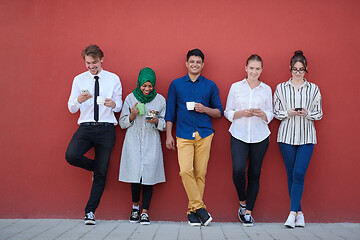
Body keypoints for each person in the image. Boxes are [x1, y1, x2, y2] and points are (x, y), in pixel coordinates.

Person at [165, 48, 223, 227]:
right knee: (185, 171)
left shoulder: (211, 85)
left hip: (205, 134)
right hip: (183, 134)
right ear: (186, 64)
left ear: (203, 64)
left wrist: (204, 109)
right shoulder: (176, 84)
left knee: (201, 174)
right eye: (192, 61)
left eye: (198, 62)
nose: (195, 64)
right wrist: (168, 135)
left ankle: (192, 212)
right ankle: (200, 208)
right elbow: (169, 113)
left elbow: (219, 112)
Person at [65, 44, 122, 225]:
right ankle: (96, 167)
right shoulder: (79, 80)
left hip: (106, 128)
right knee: (71, 155)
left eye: (94, 62)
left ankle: (90, 212)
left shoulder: (113, 79)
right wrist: (78, 100)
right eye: (88, 63)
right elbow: (71, 107)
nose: (91, 66)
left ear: (101, 59)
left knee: (101, 174)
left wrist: (112, 104)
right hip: (86, 127)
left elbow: (119, 105)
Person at [273, 50, 323, 228]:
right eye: (295, 69)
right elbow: (276, 112)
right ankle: (300, 214)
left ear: (306, 69)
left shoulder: (313, 89)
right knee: (291, 174)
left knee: (299, 173)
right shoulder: (281, 88)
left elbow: (319, 113)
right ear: (290, 68)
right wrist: (288, 112)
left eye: (301, 69)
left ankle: (292, 213)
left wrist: (307, 113)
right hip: (286, 136)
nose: (297, 72)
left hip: (307, 136)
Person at [224, 54, 273, 227]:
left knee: (255, 173)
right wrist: (241, 113)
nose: (254, 72)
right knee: (238, 170)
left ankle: (248, 212)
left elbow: (271, 113)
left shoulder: (266, 89)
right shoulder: (236, 87)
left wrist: (263, 114)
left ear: (262, 70)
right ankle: (242, 202)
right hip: (239, 134)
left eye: (257, 68)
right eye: (251, 68)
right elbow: (227, 111)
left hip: (260, 136)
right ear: (245, 68)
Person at [118, 67, 166, 225]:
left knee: (149, 176)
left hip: (151, 141)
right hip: (133, 140)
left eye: (150, 86)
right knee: (135, 176)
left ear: (154, 85)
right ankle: (135, 207)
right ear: (139, 84)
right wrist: (131, 115)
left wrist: (157, 121)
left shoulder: (160, 100)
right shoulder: (130, 98)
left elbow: (165, 124)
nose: (147, 89)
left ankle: (145, 212)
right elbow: (122, 123)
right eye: (144, 86)